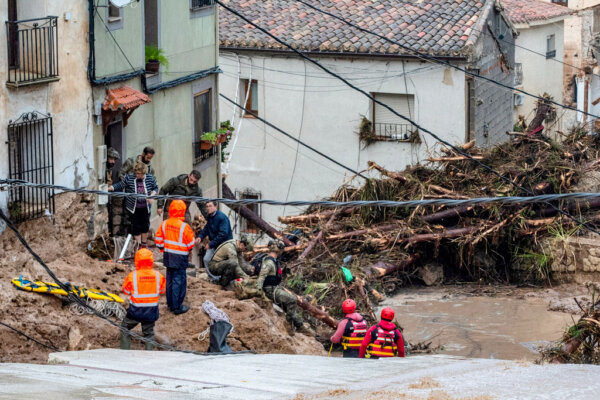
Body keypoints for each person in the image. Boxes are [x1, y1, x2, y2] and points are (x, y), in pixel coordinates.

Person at [255, 239, 313, 335]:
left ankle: (299, 324)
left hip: (275, 287)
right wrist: (259, 293)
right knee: (292, 300)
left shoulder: (273, 261)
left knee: (291, 303)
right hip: (270, 290)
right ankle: (289, 325)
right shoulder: (269, 262)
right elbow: (262, 277)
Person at [154, 199, 196, 315]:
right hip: (180, 257)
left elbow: (158, 240)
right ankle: (177, 307)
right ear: (182, 211)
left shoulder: (165, 223)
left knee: (170, 280)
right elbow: (191, 244)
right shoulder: (184, 227)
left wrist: (163, 248)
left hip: (168, 256)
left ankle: (170, 304)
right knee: (179, 281)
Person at [120, 248, 166, 350]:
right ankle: (149, 356)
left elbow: (125, 291)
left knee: (124, 328)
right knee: (149, 334)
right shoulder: (158, 276)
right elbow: (162, 291)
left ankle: (124, 353)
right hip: (151, 311)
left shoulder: (133, 276)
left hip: (136, 310)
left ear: (137, 260)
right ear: (151, 260)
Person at [110, 162, 158, 248]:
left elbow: (155, 187)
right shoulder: (130, 178)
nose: (136, 175)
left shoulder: (150, 178)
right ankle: (138, 245)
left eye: (139, 174)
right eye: (136, 173)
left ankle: (143, 244)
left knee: (145, 226)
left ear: (143, 173)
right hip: (134, 208)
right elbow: (121, 185)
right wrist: (111, 188)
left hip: (145, 207)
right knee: (136, 227)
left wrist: (152, 195)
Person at [197, 200, 233, 271]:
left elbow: (223, 234)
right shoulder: (210, 217)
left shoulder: (222, 217)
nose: (208, 208)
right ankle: (214, 278)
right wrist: (200, 237)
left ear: (215, 206)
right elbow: (207, 228)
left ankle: (221, 279)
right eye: (207, 206)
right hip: (215, 244)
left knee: (221, 263)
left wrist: (210, 244)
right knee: (207, 259)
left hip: (224, 245)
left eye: (210, 206)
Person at [105, 147, 124, 236]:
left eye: (114, 159)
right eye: (111, 159)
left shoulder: (113, 170)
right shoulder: (104, 169)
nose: (113, 162)